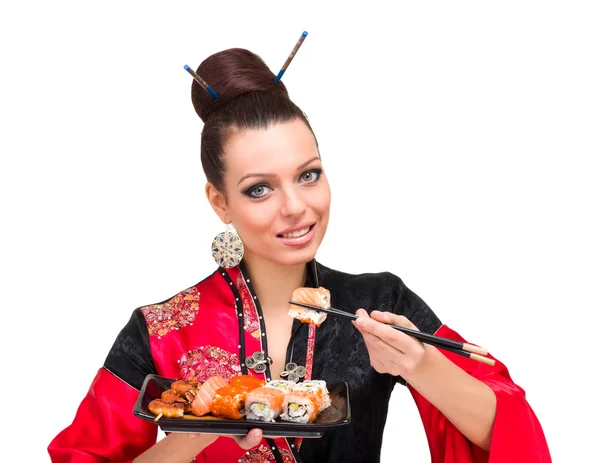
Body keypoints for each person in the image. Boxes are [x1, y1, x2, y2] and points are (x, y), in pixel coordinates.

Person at [48, 45, 552, 463]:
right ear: (219, 202)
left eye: (308, 175)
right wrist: (194, 433)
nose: (296, 208)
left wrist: (420, 365)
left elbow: (510, 433)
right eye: (259, 189)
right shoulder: (160, 328)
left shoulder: (378, 300)